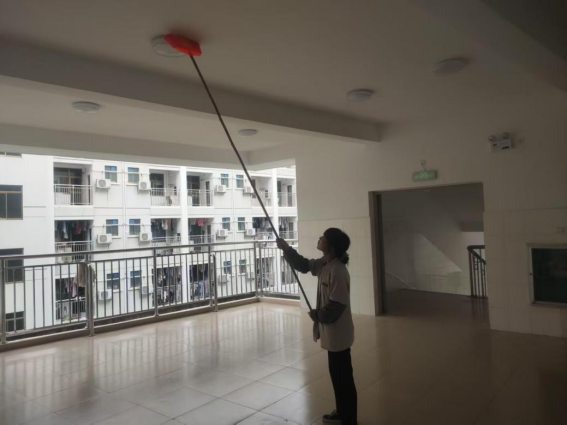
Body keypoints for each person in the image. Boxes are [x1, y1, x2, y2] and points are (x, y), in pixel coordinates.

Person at [276, 228, 357, 425]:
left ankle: (347, 417)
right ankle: (344, 413)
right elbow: (303, 265)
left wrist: (317, 315)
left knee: (342, 378)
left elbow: (337, 306)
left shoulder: (337, 271)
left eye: (324, 237)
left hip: (338, 334)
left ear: (331, 246)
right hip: (333, 334)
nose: (320, 239)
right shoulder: (324, 264)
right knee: (339, 377)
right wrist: (286, 249)